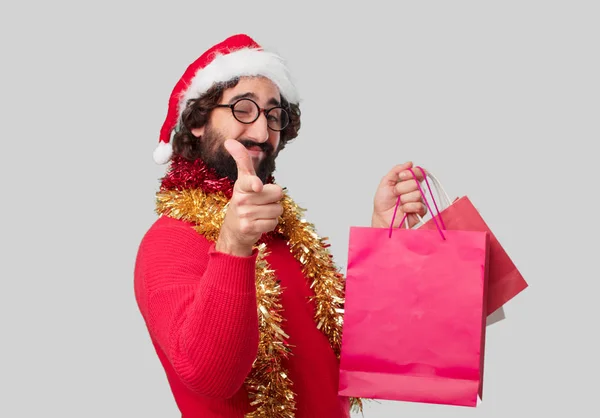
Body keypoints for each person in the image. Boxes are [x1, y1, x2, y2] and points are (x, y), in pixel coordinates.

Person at [134, 33, 428, 418]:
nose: (261, 133)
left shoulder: (284, 231)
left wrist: (383, 236)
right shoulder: (169, 241)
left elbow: (359, 357)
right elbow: (211, 377)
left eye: (273, 115)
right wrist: (234, 246)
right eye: (243, 109)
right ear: (197, 122)